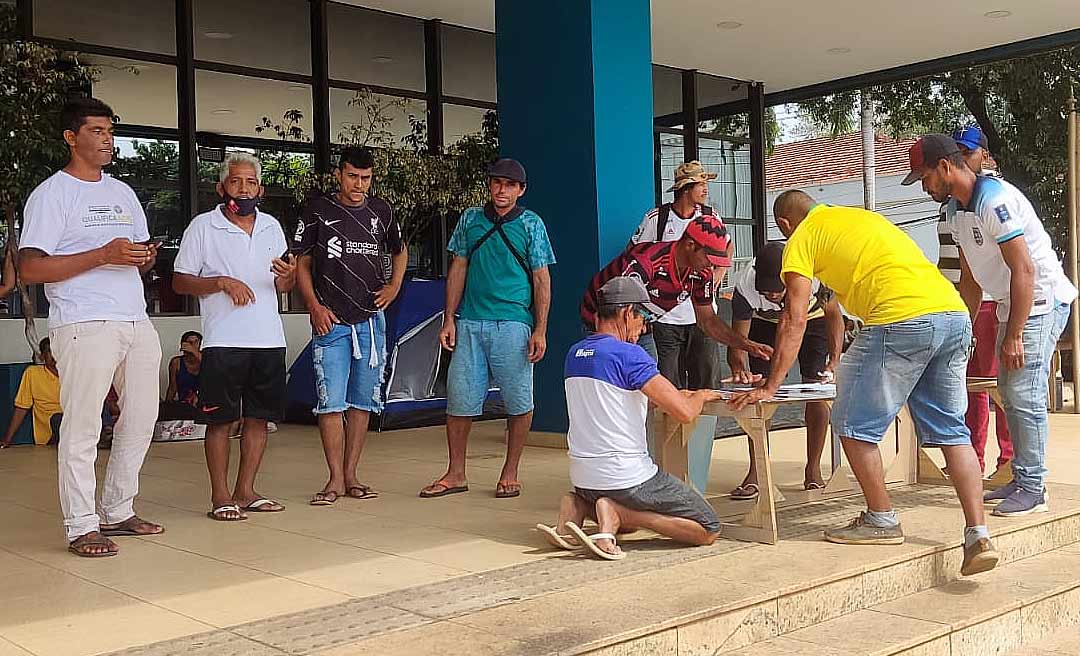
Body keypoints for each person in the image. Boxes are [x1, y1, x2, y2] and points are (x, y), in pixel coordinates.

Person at [729, 189, 999, 578]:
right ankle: (978, 534)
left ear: (785, 224)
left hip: (900, 319)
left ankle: (882, 519)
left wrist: (771, 386)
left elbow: (794, 317)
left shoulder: (801, 239)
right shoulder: (862, 219)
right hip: (954, 315)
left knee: (852, 424)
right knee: (951, 431)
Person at [19, 96, 164, 558]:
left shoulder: (122, 192)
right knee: (83, 426)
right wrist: (102, 255)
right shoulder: (52, 193)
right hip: (83, 321)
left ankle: (117, 509)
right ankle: (81, 524)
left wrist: (143, 256)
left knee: (141, 418)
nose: (108, 140)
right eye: (97, 132)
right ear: (71, 137)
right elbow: (30, 269)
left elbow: (136, 252)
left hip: (134, 318)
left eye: (109, 132)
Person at [911, 133, 1077, 517]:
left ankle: (1034, 487)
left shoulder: (994, 199)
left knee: (1023, 394)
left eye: (925, 178)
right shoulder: (955, 211)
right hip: (1010, 302)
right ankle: (1021, 480)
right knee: (1009, 390)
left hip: (1040, 300)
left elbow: (1025, 269)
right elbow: (969, 281)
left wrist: (1015, 335)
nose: (924, 186)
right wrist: (964, 329)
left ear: (946, 167)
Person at [538, 277, 723, 560]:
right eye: (644, 316)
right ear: (627, 313)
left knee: (621, 514)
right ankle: (619, 512)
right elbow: (684, 414)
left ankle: (578, 506)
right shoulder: (629, 355)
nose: (645, 326)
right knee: (708, 528)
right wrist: (700, 395)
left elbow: (618, 403)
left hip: (585, 479)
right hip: (627, 478)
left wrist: (673, 393)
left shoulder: (574, 354)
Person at [420, 158, 555, 500]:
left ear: (521, 190)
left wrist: (540, 329)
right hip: (471, 321)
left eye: (510, 185)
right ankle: (455, 473)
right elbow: (459, 268)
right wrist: (449, 318)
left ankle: (510, 472)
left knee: (519, 400)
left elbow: (542, 278)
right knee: (459, 399)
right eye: (496, 183)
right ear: (489, 185)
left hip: (513, 323)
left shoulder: (531, 223)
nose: (501, 190)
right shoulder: (470, 219)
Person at [173, 152, 297, 522]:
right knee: (220, 421)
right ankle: (221, 496)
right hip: (224, 340)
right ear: (221, 186)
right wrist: (221, 282)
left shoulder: (272, 226)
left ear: (261, 188)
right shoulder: (203, 227)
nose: (244, 189)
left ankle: (246, 490)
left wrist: (289, 278)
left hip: (268, 338)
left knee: (259, 420)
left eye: (251, 182)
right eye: (236, 181)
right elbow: (180, 280)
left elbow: (282, 282)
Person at [293, 146, 407, 505]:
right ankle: (334, 479)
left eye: (366, 178)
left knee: (362, 402)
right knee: (330, 403)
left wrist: (394, 286)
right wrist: (313, 306)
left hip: (372, 322)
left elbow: (399, 250)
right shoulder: (317, 209)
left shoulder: (382, 210)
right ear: (339, 175)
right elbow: (302, 262)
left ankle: (352, 474)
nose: (360, 185)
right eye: (353, 176)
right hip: (331, 320)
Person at [727, 242, 844, 498]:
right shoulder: (744, 285)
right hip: (765, 325)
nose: (771, 295)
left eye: (776, 290)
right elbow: (738, 340)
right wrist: (740, 368)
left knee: (815, 391)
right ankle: (756, 470)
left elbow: (835, 315)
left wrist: (834, 360)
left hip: (811, 322)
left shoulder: (815, 277)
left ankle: (813, 469)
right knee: (759, 393)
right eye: (765, 291)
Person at [581, 214, 771, 367]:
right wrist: (626, 341)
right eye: (709, 258)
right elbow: (618, 311)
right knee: (615, 375)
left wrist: (747, 345)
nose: (711, 265)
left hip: (640, 323)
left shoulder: (701, 273)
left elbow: (708, 321)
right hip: (604, 319)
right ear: (690, 245)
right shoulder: (647, 262)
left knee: (647, 379)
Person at [936, 126, 1014, 477]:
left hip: (989, 301)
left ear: (983, 155)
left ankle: (1008, 460)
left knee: (997, 386)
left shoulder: (995, 197)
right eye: (957, 153)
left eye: (968, 152)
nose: (962, 159)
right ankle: (973, 459)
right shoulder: (950, 205)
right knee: (968, 387)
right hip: (956, 301)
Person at [628, 161, 722, 389]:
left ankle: (704, 426)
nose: (706, 189)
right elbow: (633, 255)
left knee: (707, 383)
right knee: (668, 383)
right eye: (701, 183)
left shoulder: (711, 217)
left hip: (702, 315)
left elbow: (726, 246)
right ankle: (673, 425)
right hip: (665, 318)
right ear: (686, 188)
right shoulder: (656, 219)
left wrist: (719, 273)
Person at [1, 338, 61, 448]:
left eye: (57, 350)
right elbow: (21, 408)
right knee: (57, 419)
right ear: (42, 356)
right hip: (50, 438)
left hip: (75, 430)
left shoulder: (73, 373)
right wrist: (7, 439)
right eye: (49, 351)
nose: (54, 355)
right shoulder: (32, 374)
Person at [161, 331, 202, 419]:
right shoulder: (176, 362)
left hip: (204, 406)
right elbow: (172, 388)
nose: (193, 345)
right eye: (190, 343)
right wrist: (167, 405)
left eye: (196, 342)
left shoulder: (206, 360)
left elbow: (213, 369)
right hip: (184, 406)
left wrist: (195, 353)